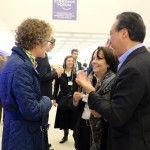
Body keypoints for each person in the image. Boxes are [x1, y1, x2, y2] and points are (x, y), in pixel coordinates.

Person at [75, 12, 150, 150]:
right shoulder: (139, 61)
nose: (109, 41)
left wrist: (89, 90)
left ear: (123, 33)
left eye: (111, 34)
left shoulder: (134, 68)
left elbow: (116, 115)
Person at [0, 18, 53, 150]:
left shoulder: (18, 61)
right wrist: (47, 100)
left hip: (18, 131)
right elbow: (32, 111)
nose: (47, 46)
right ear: (36, 42)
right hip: (22, 136)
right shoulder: (21, 66)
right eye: (46, 41)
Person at [73, 46, 118, 150]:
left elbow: (112, 111)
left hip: (101, 132)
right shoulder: (88, 78)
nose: (94, 61)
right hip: (83, 126)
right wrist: (75, 100)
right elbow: (77, 105)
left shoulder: (114, 81)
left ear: (109, 63)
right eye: (93, 58)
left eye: (99, 58)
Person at [53, 55, 78, 144]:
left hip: (73, 98)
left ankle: (76, 137)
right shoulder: (60, 73)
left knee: (74, 117)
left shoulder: (75, 73)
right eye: (69, 60)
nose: (70, 62)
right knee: (64, 118)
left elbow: (78, 86)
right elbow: (56, 87)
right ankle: (65, 135)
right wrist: (54, 99)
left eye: (72, 61)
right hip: (63, 98)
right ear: (65, 62)